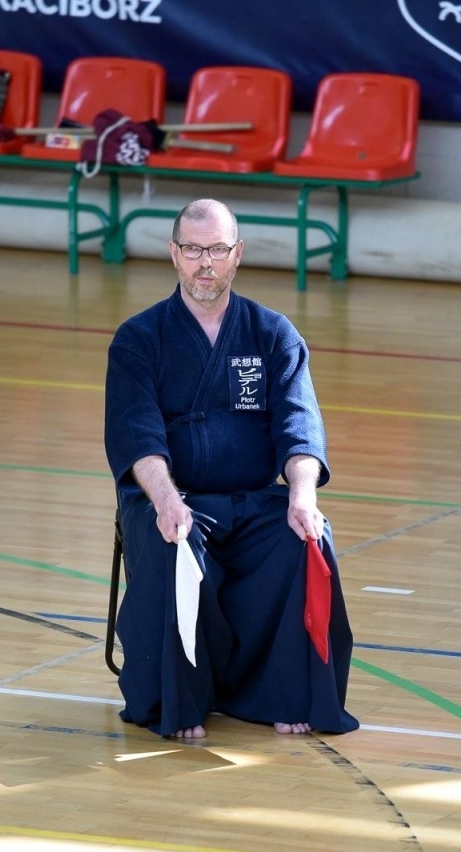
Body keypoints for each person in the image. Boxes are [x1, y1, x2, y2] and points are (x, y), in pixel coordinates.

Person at [104, 198, 360, 740]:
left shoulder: (272, 334)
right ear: (174, 254)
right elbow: (137, 436)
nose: (205, 264)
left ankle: (285, 696)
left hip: (252, 500)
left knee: (307, 540)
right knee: (176, 544)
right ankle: (178, 703)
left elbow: (300, 427)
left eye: (217, 250)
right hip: (173, 500)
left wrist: (302, 495)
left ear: (237, 254)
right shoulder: (139, 338)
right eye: (193, 249)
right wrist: (167, 500)